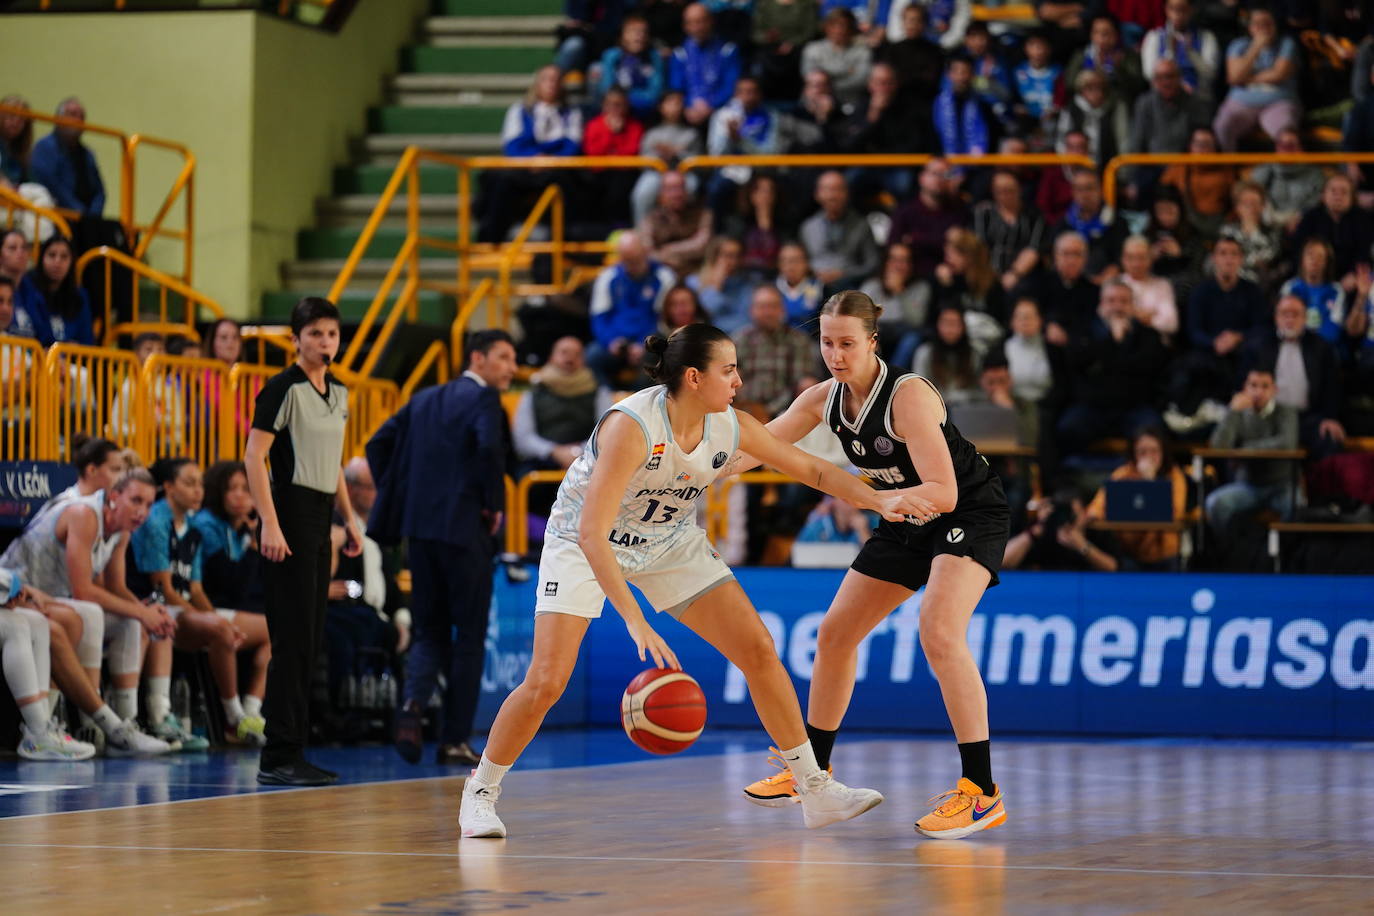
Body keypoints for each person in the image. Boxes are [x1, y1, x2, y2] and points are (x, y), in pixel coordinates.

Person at [459, 323, 926, 839]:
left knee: (758, 649)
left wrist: (879, 499)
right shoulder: (632, 426)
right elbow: (592, 532)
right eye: (728, 370)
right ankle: (481, 789)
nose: (739, 381)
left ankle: (812, 787)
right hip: (583, 543)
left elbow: (811, 470)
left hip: (668, 541)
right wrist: (635, 621)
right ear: (693, 377)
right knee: (546, 681)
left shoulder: (731, 424)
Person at [729, 290, 1009, 838]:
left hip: (967, 513)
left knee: (939, 632)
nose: (836, 354)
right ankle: (812, 773)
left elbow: (945, 492)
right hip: (903, 515)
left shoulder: (907, 397)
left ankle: (982, 791)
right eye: (827, 343)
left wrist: (866, 497)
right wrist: (698, 467)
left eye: (847, 344)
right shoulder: (822, 399)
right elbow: (759, 449)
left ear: (872, 343)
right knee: (835, 634)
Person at [368, 330, 516, 768]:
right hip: (466, 531)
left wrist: (401, 493)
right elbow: (490, 448)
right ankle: (453, 739)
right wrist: (492, 505)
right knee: (469, 637)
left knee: (428, 630)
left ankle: (412, 706)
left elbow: (377, 444)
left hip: (420, 531)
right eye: (503, 358)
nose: (511, 367)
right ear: (478, 358)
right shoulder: (485, 400)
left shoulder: (424, 398)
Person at [246, 297, 363, 787]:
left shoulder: (339, 392)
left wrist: (351, 519)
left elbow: (333, 460)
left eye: (331, 334)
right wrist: (269, 523)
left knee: (311, 637)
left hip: (320, 514)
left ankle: (294, 748)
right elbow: (254, 458)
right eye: (315, 333)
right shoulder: (280, 389)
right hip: (288, 510)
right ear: (296, 338)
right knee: (290, 638)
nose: (325, 342)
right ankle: (278, 753)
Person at [0, 468, 175, 755]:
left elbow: (116, 587)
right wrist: (141, 612)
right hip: (17, 590)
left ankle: (126, 723)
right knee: (89, 614)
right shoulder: (84, 514)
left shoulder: (122, 532)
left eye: (148, 504)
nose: (142, 511)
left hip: (51, 597)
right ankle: (89, 725)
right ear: (114, 496)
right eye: (136, 501)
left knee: (131, 623)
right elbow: (84, 591)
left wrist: (146, 611)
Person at [129, 457, 271, 749]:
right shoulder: (157, 521)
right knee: (220, 628)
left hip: (181, 610)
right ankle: (234, 717)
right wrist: (214, 621)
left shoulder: (191, 527)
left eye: (199, 485)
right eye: (190, 484)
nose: (198, 491)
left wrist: (213, 619)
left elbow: (194, 589)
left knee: (237, 629)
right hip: (154, 606)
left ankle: (248, 713)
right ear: (168, 487)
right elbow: (165, 589)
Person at [1056, 280, 1168, 453]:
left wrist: (1107, 357)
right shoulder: (1082, 332)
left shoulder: (1148, 336)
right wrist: (1112, 341)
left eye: (1124, 301)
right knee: (1068, 428)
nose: (1117, 307)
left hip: (1134, 407)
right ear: (1101, 304)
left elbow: (1147, 367)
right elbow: (1077, 362)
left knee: (1154, 430)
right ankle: (1077, 477)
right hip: (1092, 408)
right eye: (1111, 300)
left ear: (1132, 306)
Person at [478, 66, 584, 243]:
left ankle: (563, 241)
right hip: (525, 167)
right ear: (537, 84)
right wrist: (534, 159)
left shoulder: (572, 113)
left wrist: (551, 160)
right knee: (500, 181)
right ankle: (492, 240)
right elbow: (512, 145)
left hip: (557, 169)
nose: (551, 84)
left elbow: (573, 145)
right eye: (546, 79)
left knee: (570, 184)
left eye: (556, 80)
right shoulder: (519, 110)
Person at [1241, 294, 1346, 453]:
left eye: (1295, 314)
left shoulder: (1321, 347)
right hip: (1268, 418)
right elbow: (1243, 385)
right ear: (1276, 317)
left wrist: (1330, 418)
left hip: (1307, 419)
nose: (1290, 319)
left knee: (1329, 439)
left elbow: (1331, 387)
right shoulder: (1258, 346)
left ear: (1305, 318)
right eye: (1284, 314)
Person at [1205, 367, 1299, 538]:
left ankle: (1284, 557)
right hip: (1248, 485)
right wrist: (1232, 412)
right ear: (1245, 388)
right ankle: (1231, 552)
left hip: (1281, 485)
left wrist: (1244, 450)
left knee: (1296, 507)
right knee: (1215, 504)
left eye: (1265, 386)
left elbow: (1287, 444)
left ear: (1274, 390)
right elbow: (1218, 447)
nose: (1258, 392)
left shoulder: (1286, 412)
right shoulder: (1238, 414)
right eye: (1253, 385)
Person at [1085, 427, 1190, 571]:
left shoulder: (1174, 475)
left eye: (1154, 451)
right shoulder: (1123, 474)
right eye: (1142, 452)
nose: (1149, 457)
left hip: (1164, 554)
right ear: (1134, 454)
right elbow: (1097, 506)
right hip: (1129, 552)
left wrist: (1150, 483)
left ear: (1163, 452)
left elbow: (1176, 514)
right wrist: (1092, 515)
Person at [514, 336, 616, 471]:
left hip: (588, 462)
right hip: (542, 462)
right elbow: (523, 439)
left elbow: (606, 434)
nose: (570, 358)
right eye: (564, 352)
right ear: (551, 358)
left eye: (577, 354)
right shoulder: (533, 393)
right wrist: (554, 452)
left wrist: (578, 452)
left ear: (584, 360)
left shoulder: (599, 392)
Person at [589, 231, 677, 384]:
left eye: (635, 259)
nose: (631, 265)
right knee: (592, 356)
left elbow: (663, 318)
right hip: (617, 341)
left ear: (646, 252)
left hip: (650, 341)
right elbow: (599, 317)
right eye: (626, 260)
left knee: (655, 359)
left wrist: (644, 343)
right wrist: (611, 341)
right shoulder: (608, 277)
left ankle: (640, 404)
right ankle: (606, 401)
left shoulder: (664, 277)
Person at [1212, 7, 1301, 151]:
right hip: (1241, 103)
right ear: (1250, 27)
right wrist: (1256, 47)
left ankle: (1288, 172)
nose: (1263, 28)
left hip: (1278, 101)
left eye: (1267, 23)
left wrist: (1246, 78)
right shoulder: (1238, 45)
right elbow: (1234, 77)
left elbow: (1279, 75)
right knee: (1222, 125)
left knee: (1287, 135)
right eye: (1258, 24)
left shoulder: (1287, 44)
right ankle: (1228, 170)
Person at [732, 285, 820, 419]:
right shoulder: (739, 339)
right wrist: (749, 408)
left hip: (786, 409)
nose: (768, 312)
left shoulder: (798, 340)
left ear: (782, 310)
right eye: (762, 307)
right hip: (744, 407)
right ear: (752, 310)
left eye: (773, 306)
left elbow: (800, 382)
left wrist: (768, 410)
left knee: (808, 384)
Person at [889, 158, 969, 279]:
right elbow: (893, 247)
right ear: (922, 178)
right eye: (934, 173)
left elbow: (961, 248)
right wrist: (942, 240)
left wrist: (916, 239)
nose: (939, 179)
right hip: (911, 277)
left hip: (949, 276)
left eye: (944, 175)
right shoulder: (905, 211)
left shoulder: (958, 210)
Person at [799, 170, 880, 289]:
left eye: (838, 189)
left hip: (850, 285)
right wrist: (813, 273)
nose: (832, 196)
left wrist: (845, 274)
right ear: (817, 194)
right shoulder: (808, 227)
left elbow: (872, 264)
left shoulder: (862, 226)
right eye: (827, 189)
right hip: (813, 286)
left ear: (847, 193)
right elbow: (800, 262)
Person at [631, 92, 702, 225]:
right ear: (661, 107)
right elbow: (643, 160)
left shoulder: (691, 134)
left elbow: (698, 162)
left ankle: (686, 230)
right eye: (671, 102)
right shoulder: (652, 133)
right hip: (656, 174)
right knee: (643, 192)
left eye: (679, 103)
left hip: (683, 174)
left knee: (692, 186)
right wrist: (660, 157)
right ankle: (642, 233)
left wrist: (676, 154)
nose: (676, 106)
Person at [28, 97, 105, 218]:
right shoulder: (45, 147)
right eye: (72, 114)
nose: (78, 120)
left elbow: (99, 192)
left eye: (81, 117)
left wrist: (93, 215)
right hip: (54, 215)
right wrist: (78, 211)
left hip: (85, 218)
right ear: (58, 119)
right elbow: (50, 184)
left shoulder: (87, 154)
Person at [972, 170, 1046, 294]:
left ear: (1019, 189)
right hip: (988, 271)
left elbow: (1033, 249)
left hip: (1022, 275)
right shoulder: (984, 213)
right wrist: (988, 274)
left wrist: (1014, 274)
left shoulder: (1034, 215)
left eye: (1009, 190)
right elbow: (980, 246)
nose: (1004, 195)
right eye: (999, 191)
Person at [670, 3, 742, 127]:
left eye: (701, 21)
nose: (696, 27)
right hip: (688, 112)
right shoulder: (680, 53)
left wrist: (711, 105)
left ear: (711, 21)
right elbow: (677, 87)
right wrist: (688, 105)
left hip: (721, 109)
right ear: (685, 26)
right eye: (691, 23)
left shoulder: (727, 50)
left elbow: (732, 85)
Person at [1159, 126, 1237, 238]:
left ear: (1215, 148)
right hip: (1186, 228)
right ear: (1190, 146)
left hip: (1221, 227)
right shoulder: (1178, 168)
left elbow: (1236, 201)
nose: (1202, 150)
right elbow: (1162, 197)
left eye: (1207, 145)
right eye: (1198, 144)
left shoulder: (1226, 171)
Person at [1140, 0, 1220, 104]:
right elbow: (1149, 73)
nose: (1177, 14)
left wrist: (1191, 53)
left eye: (1183, 9)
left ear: (1191, 10)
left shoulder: (1206, 37)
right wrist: (1170, 52)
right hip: (1163, 99)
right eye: (1172, 8)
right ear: (1166, 9)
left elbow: (1211, 74)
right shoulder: (1154, 37)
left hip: (1197, 97)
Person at [23, 235, 93, 347]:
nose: (57, 262)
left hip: (71, 362)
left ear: (71, 262)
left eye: (64, 257)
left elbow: (87, 341)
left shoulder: (80, 296)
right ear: (42, 258)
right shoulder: (27, 286)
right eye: (52, 255)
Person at [593, 13, 666, 120]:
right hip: (615, 114)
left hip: (644, 114)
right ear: (623, 35)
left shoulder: (654, 58)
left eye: (644, 32)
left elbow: (654, 95)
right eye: (634, 31)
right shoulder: (611, 56)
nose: (640, 35)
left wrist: (623, 99)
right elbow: (607, 90)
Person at [639, 171, 713, 277]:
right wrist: (685, 248)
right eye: (671, 189)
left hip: (695, 273)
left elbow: (702, 246)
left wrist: (667, 250)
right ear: (661, 194)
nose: (677, 194)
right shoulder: (651, 218)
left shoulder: (702, 214)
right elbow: (647, 251)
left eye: (680, 187)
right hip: (662, 275)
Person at [1281, 238, 1347, 346]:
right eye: (1310, 255)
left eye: (1320, 257)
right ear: (1302, 259)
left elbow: (1333, 332)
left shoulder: (1336, 290)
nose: (1314, 261)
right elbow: (1285, 327)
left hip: (1326, 350)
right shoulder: (1290, 287)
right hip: (1296, 348)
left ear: (1327, 262)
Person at [801, 7, 872, 106]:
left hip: (850, 103)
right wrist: (847, 71)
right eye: (834, 25)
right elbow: (809, 77)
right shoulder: (812, 49)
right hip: (815, 102)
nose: (839, 30)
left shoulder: (863, 51)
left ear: (851, 28)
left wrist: (826, 79)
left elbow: (861, 79)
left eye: (844, 25)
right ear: (826, 27)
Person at [687, 235, 753, 334]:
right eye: (729, 256)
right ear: (714, 257)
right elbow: (702, 316)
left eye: (738, 256)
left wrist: (715, 324)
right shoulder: (694, 282)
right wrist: (716, 286)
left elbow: (747, 321)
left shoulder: (747, 285)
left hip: (736, 339)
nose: (734, 262)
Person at [1119, 235, 1179, 340]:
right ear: (1123, 259)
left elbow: (1171, 324)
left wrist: (1134, 316)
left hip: (1156, 345)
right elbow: (1107, 317)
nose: (1136, 264)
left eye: (1141, 257)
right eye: (1131, 257)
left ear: (1150, 259)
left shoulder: (1162, 285)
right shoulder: (1115, 284)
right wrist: (1149, 315)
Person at [775, 242, 825, 328]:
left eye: (795, 260)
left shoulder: (820, 288)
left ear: (806, 263)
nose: (789, 266)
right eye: (784, 261)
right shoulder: (772, 290)